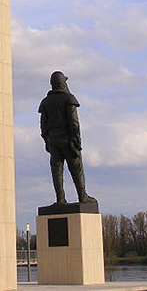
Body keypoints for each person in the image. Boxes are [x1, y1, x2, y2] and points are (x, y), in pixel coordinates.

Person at [38, 71, 96, 204]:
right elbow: (74, 122)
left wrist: (47, 140)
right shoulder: (69, 99)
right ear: (63, 83)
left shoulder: (46, 102)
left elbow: (43, 125)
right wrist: (76, 140)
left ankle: (60, 199)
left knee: (57, 171)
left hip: (53, 141)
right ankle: (82, 196)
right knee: (76, 169)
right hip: (68, 141)